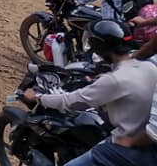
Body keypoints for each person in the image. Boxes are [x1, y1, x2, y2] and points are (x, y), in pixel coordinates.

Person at [24, 20, 157, 166]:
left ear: (98, 46)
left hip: (129, 143)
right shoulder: (149, 65)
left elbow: (70, 101)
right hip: (146, 141)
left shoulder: (113, 80)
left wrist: (38, 97)